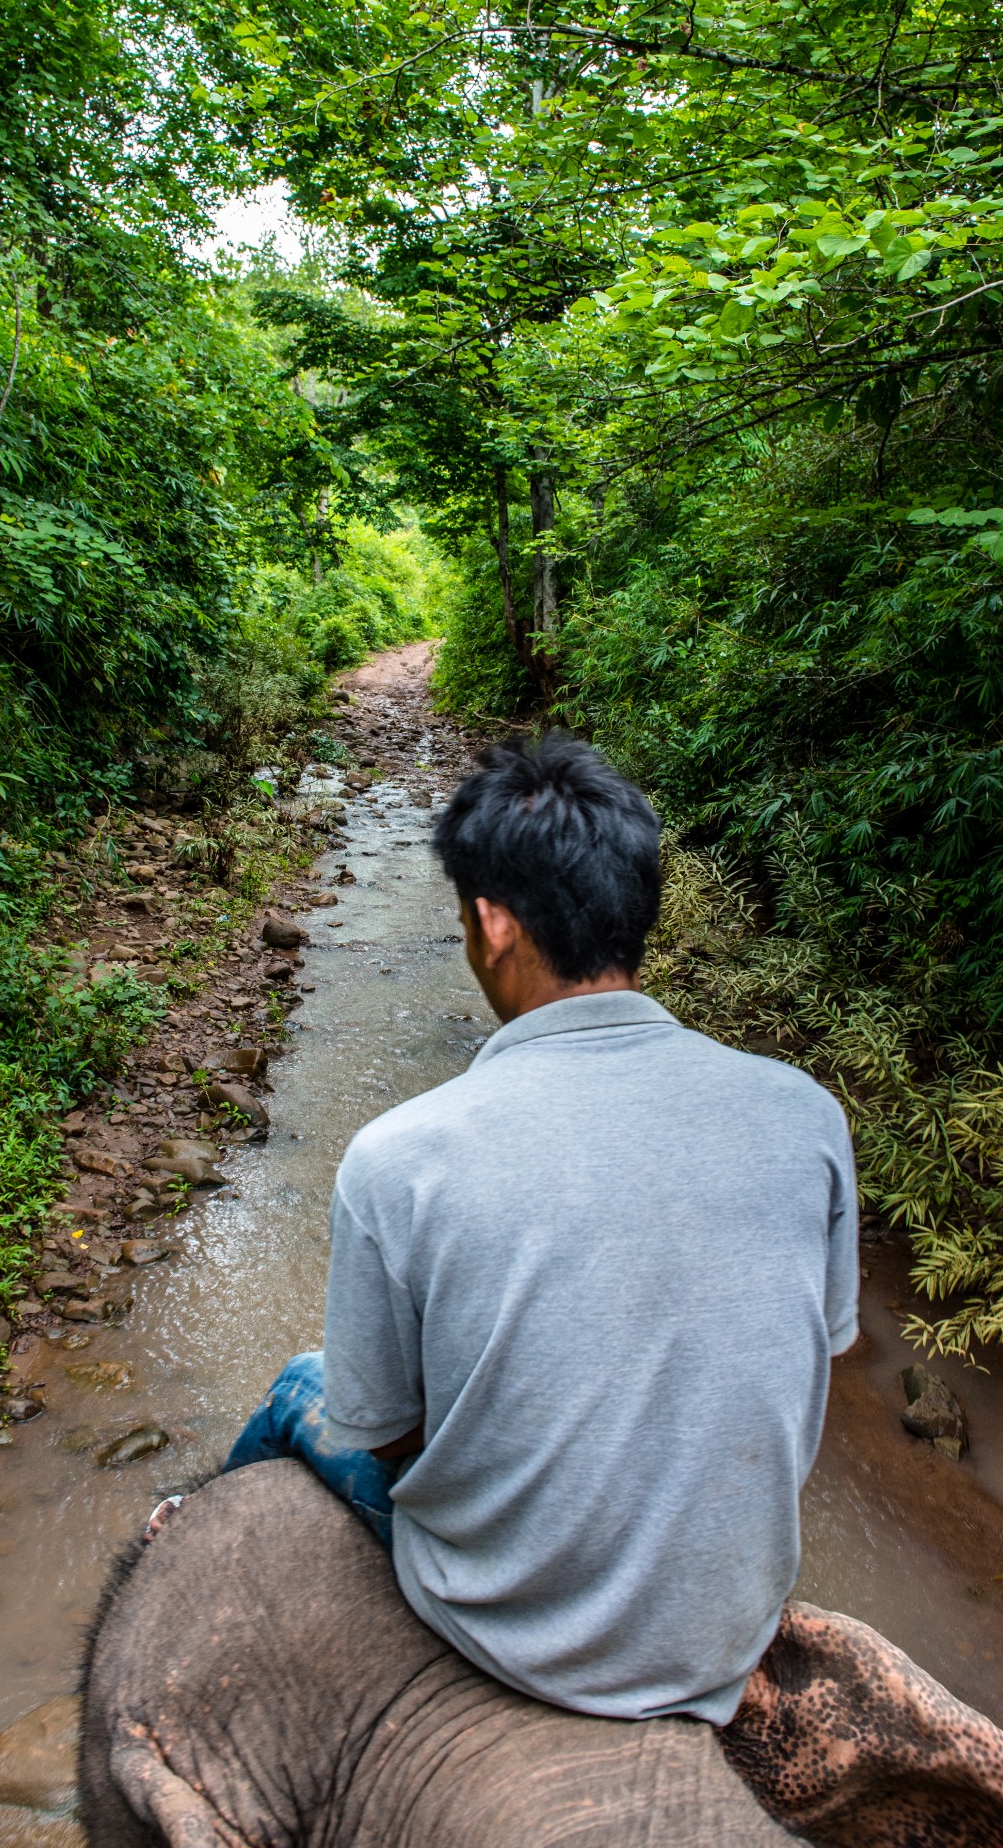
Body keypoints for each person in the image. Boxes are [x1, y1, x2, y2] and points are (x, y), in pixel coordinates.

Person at [202, 733, 858, 1726]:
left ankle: (193, 1538)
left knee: (306, 1382)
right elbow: (811, 1358)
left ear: (489, 922)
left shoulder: (397, 1155)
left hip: (512, 1639)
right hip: (725, 1628)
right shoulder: (805, 1113)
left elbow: (381, 1437)